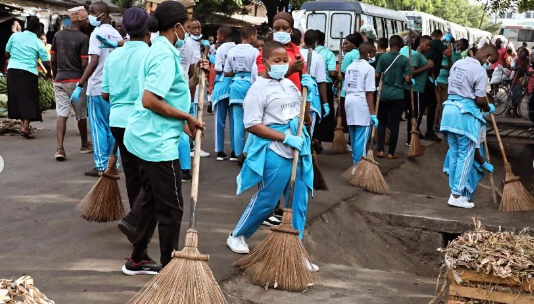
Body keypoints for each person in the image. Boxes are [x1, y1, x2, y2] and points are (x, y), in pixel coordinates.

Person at [122, 1, 205, 275]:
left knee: (151, 200)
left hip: (147, 135)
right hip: (155, 143)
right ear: (177, 26)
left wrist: (182, 121)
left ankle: (137, 259)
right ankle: (170, 267)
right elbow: (150, 100)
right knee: (172, 208)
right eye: (187, 24)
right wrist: (188, 117)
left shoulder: (159, 49)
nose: (189, 31)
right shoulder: (163, 55)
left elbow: (166, 96)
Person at [226, 40, 318, 271]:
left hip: (299, 146)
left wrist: (308, 92)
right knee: (268, 199)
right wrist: (285, 138)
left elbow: (303, 115)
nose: (281, 64)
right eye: (276, 61)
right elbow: (252, 125)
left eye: (284, 60)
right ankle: (238, 234)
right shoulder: (257, 89)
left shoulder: (290, 85)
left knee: (299, 201)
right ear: (265, 62)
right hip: (274, 148)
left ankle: (295, 249)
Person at [100, 7, 151, 244]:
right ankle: (136, 218)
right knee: (151, 174)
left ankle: (136, 218)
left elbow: (105, 93)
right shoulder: (151, 55)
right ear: (147, 29)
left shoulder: (114, 56)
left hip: (118, 121)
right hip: (142, 120)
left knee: (132, 173)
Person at [440, 45, 498, 208]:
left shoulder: (457, 64)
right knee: (465, 155)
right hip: (464, 116)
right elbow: (480, 100)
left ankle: (454, 192)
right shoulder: (479, 71)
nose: (489, 64)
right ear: (487, 55)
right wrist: (488, 108)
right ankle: (457, 194)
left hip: (449, 112)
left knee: (455, 153)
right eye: (490, 61)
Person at [71, 2, 122, 177]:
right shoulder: (116, 34)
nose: (90, 16)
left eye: (92, 12)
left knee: (98, 126)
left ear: (102, 14)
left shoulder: (97, 34)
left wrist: (80, 85)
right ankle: (112, 163)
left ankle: (101, 166)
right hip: (114, 88)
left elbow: (93, 61)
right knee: (111, 127)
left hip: (97, 87)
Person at [51, 7, 92, 160]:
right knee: (81, 115)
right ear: (80, 20)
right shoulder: (83, 38)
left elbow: (53, 60)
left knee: (62, 114)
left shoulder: (58, 35)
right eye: (86, 19)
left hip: (60, 79)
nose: (87, 21)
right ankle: (84, 144)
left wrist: (55, 76)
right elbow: (83, 63)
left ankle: (60, 149)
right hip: (76, 81)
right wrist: (84, 80)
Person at [6, 16, 51, 139]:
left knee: (18, 98)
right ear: (37, 29)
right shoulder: (37, 42)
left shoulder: (15, 36)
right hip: (28, 73)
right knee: (29, 99)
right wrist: (49, 74)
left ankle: (23, 125)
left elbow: (7, 52)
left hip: (12, 71)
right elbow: (46, 62)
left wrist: (15, 57)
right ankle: (25, 127)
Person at [224, 24, 259, 164]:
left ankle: (238, 153)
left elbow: (227, 72)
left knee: (238, 123)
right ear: (252, 36)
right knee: (252, 120)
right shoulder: (255, 52)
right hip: (250, 86)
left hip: (236, 86)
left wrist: (238, 72)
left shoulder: (232, 51)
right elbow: (257, 71)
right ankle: (249, 151)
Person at [375, 35, 412, 159]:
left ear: (390, 44)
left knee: (381, 122)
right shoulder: (404, 60)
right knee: (395, 123)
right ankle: (391, 152)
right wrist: (410, 80)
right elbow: (407, 80)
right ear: (400, 45)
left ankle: (380, 150)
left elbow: (377, 74)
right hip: (398, 95)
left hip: (383, 93)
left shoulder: (382, 57)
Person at [343, 42, 377, 164]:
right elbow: (369, 93)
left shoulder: (350, 66)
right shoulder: (369, 69)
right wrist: (373, 114)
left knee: (354, 136)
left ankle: (355, 162)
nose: (374, 56)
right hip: (361, 103)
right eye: (373, 54)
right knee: (362, 137)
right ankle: (358, 165)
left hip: (349, 101)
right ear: (368, 54)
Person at [255, 12, 304, 91]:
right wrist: (290, 70)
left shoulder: (296, 50)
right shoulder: (266, 51)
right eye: (277, 29)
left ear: (291, 30)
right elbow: (262, 78)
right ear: (273, 30)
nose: (281, 32)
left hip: (295, 97)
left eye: (285, 28)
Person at [401, 35, 433, 146]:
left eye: (430, 45)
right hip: (416, 89)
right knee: (416, 114)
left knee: (415, 114)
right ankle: (411, 139)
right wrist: (427, 66)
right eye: (427, 45)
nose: (429, 47)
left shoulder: (420, 55)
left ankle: (412, 138)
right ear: (421, 43)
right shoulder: (416, 56)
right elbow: (411, 72)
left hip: (419, 89)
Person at [420, 29, 451, 142]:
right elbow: (448, 53)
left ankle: (421, 130)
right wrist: (448, 43)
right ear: (439, 36)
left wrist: (440, 67)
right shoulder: (437, 42)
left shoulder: (429, 46)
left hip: (429, 77)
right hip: (430, 78)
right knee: (431, 105)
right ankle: (428, 131)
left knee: (426, 105)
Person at [212, 25, 237, 161]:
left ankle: (220, 151)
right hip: (235, 86)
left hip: (222, 85)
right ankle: (235, 151)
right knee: (235, 121)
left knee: (219, 120)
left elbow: (217, 68)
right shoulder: (237, 48)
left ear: (221, 36)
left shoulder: (221, 49)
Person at [300, 30, 329, 137]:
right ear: (316, 42)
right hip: (311, 94)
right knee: (309, 127)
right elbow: (321, 81)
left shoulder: (296, 53)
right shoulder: (318, 57)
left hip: (298, 89)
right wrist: (325, 103)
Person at [435, 38, 468, 130]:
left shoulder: (458, 56)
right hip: (438, 80)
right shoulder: (445, 49)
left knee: (444, 103)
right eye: (458, 44)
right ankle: (436, 123)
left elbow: (453, 66)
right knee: (437, 104)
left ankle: (442, 123)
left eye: (461, 47)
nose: (458, 47)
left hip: (448, 83)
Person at [313, 30, 337, 147]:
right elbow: (332, 72)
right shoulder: (329, 54)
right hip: (325, 85)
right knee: (325, 113)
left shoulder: (309, 52)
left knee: (313, 111)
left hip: (312, 85)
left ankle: (313, 135)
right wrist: (338, 77)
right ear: (324, 41)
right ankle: (319, 138)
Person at [339, 33, 364, 138]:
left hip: (347, 91)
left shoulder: (349, 55)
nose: (344, 46)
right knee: (357, 117)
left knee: (347, 117)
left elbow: (342, 74)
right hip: (360, 91)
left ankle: (351, 138)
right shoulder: (361, 54)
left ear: (353, 45)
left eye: (346, 43)